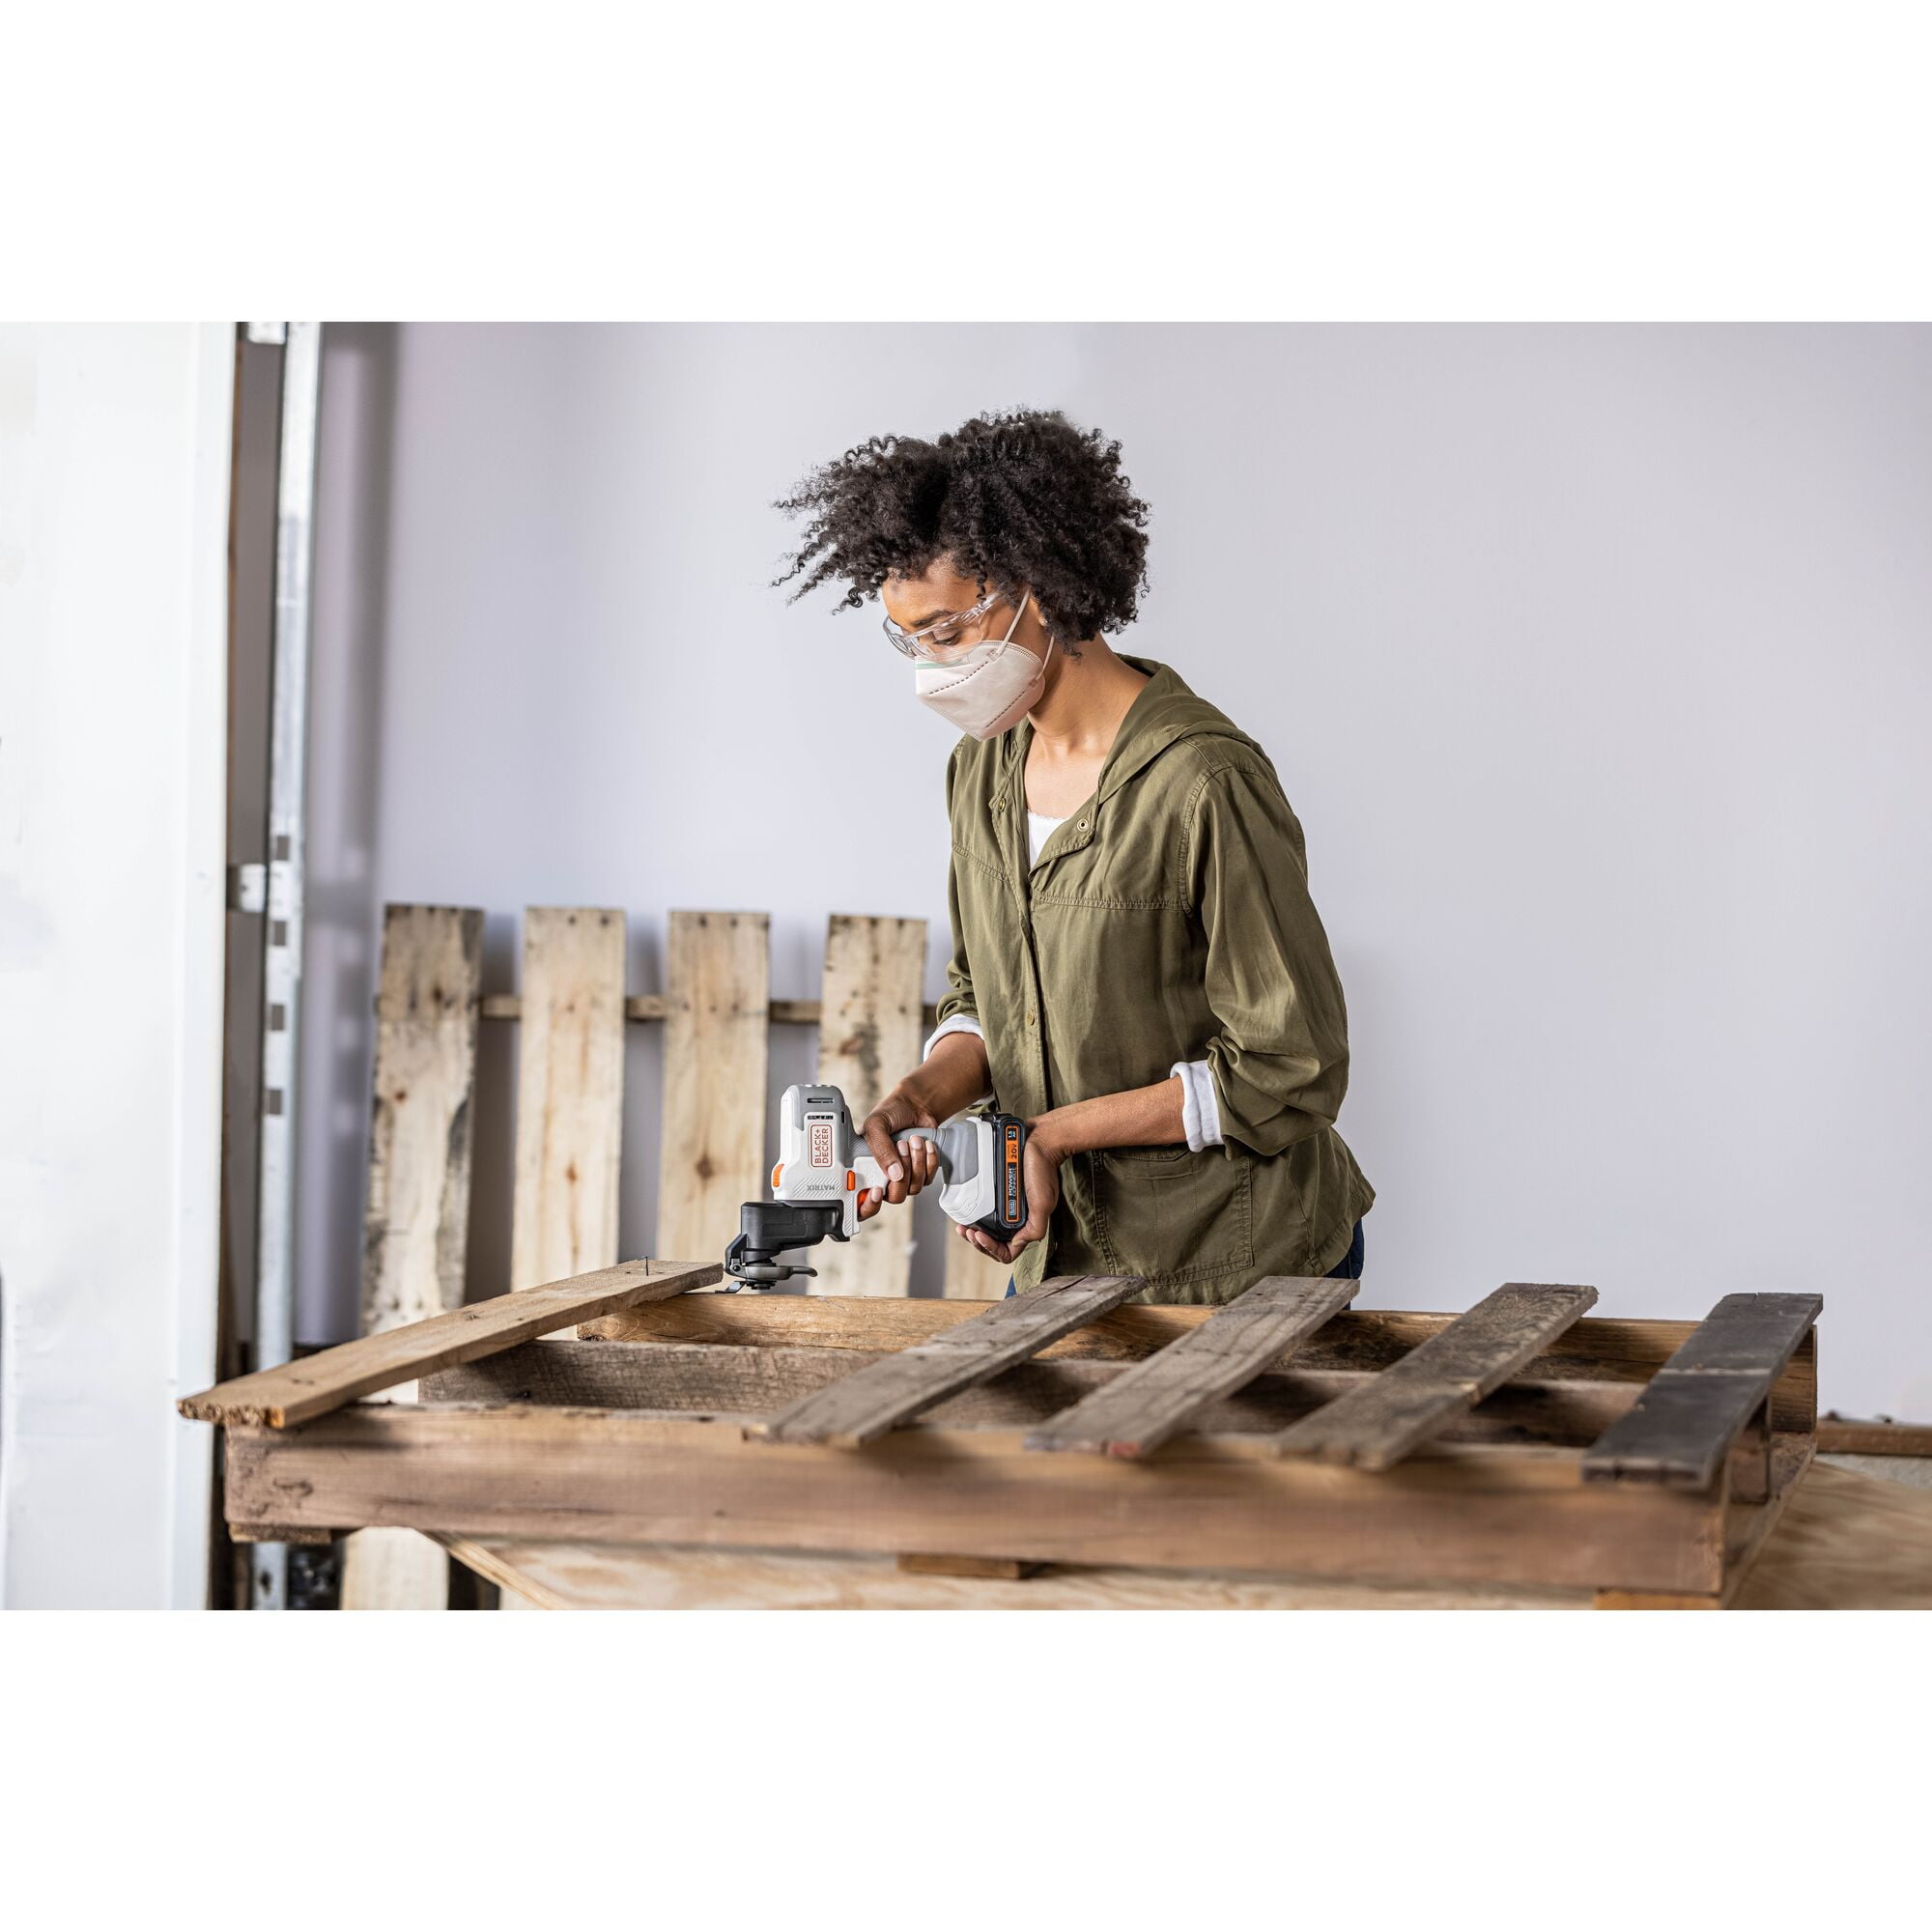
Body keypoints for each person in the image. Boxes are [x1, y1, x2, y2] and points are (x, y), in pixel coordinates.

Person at [775, 409, 1372, 1303]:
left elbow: (1291, 1064)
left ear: (1038, 590)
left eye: (947, 632)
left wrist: (1046, 1138)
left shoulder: (1204, 782)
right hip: (1060, 1254)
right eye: (909, 640)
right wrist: (922, 1098)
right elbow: (986, 995)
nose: (929, 668)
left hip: (1232, 1264)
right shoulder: (981, 770)